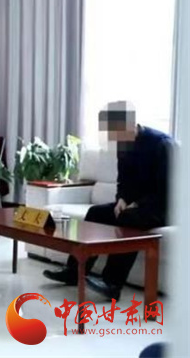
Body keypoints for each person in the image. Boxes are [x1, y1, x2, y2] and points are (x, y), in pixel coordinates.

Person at [43, 101, 172, 300]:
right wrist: (121, 199)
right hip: (133, 205)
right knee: (95, 213)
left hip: (161, 207)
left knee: (128, 219)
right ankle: (74, 272)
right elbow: (123, 180)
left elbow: (167, 190)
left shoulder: (161, 144)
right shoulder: (123, 145)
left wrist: (136, 204)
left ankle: (112, 284)